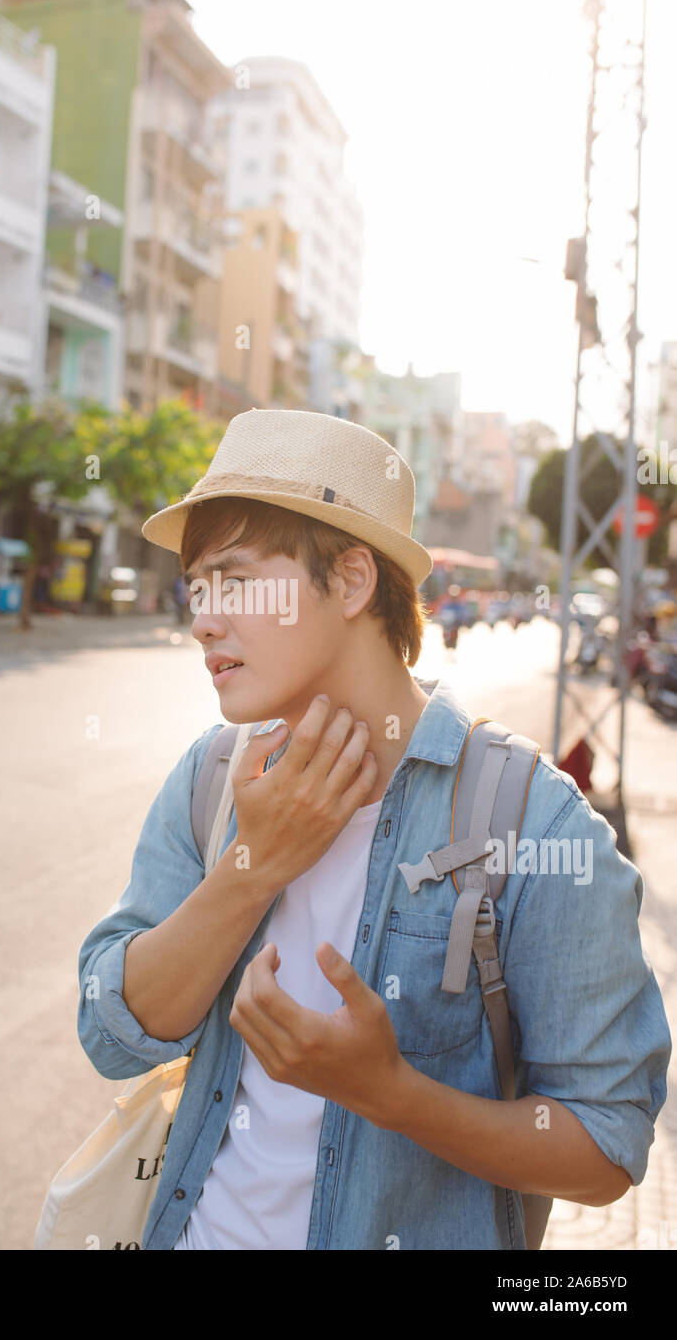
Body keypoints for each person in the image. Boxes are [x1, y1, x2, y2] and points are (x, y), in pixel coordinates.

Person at [76, 407, 670, 1251]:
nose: (202, 619)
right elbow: (109, 1033)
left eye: (235, 581)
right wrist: (250, 867)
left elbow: (605, 1147)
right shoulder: (213, 780)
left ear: (351, 581)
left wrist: (390, 1093)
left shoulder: (528, 819)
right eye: (196, 588)